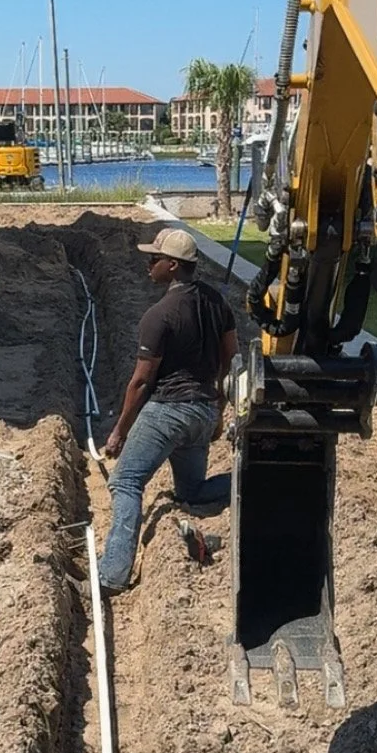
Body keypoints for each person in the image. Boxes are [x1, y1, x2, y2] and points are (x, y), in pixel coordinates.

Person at [98, 226, 237, 594]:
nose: (149, 264)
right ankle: (248, 481)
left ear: (173, 266)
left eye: (155, 258)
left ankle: (111, 575)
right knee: (191, 490)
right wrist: (218, 407)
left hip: (169, 412)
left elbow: (141, 382)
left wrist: (119, 432)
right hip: (203, 413)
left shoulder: (158, 316)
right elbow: (230, 357)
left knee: (126, 481)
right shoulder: (216, 303)